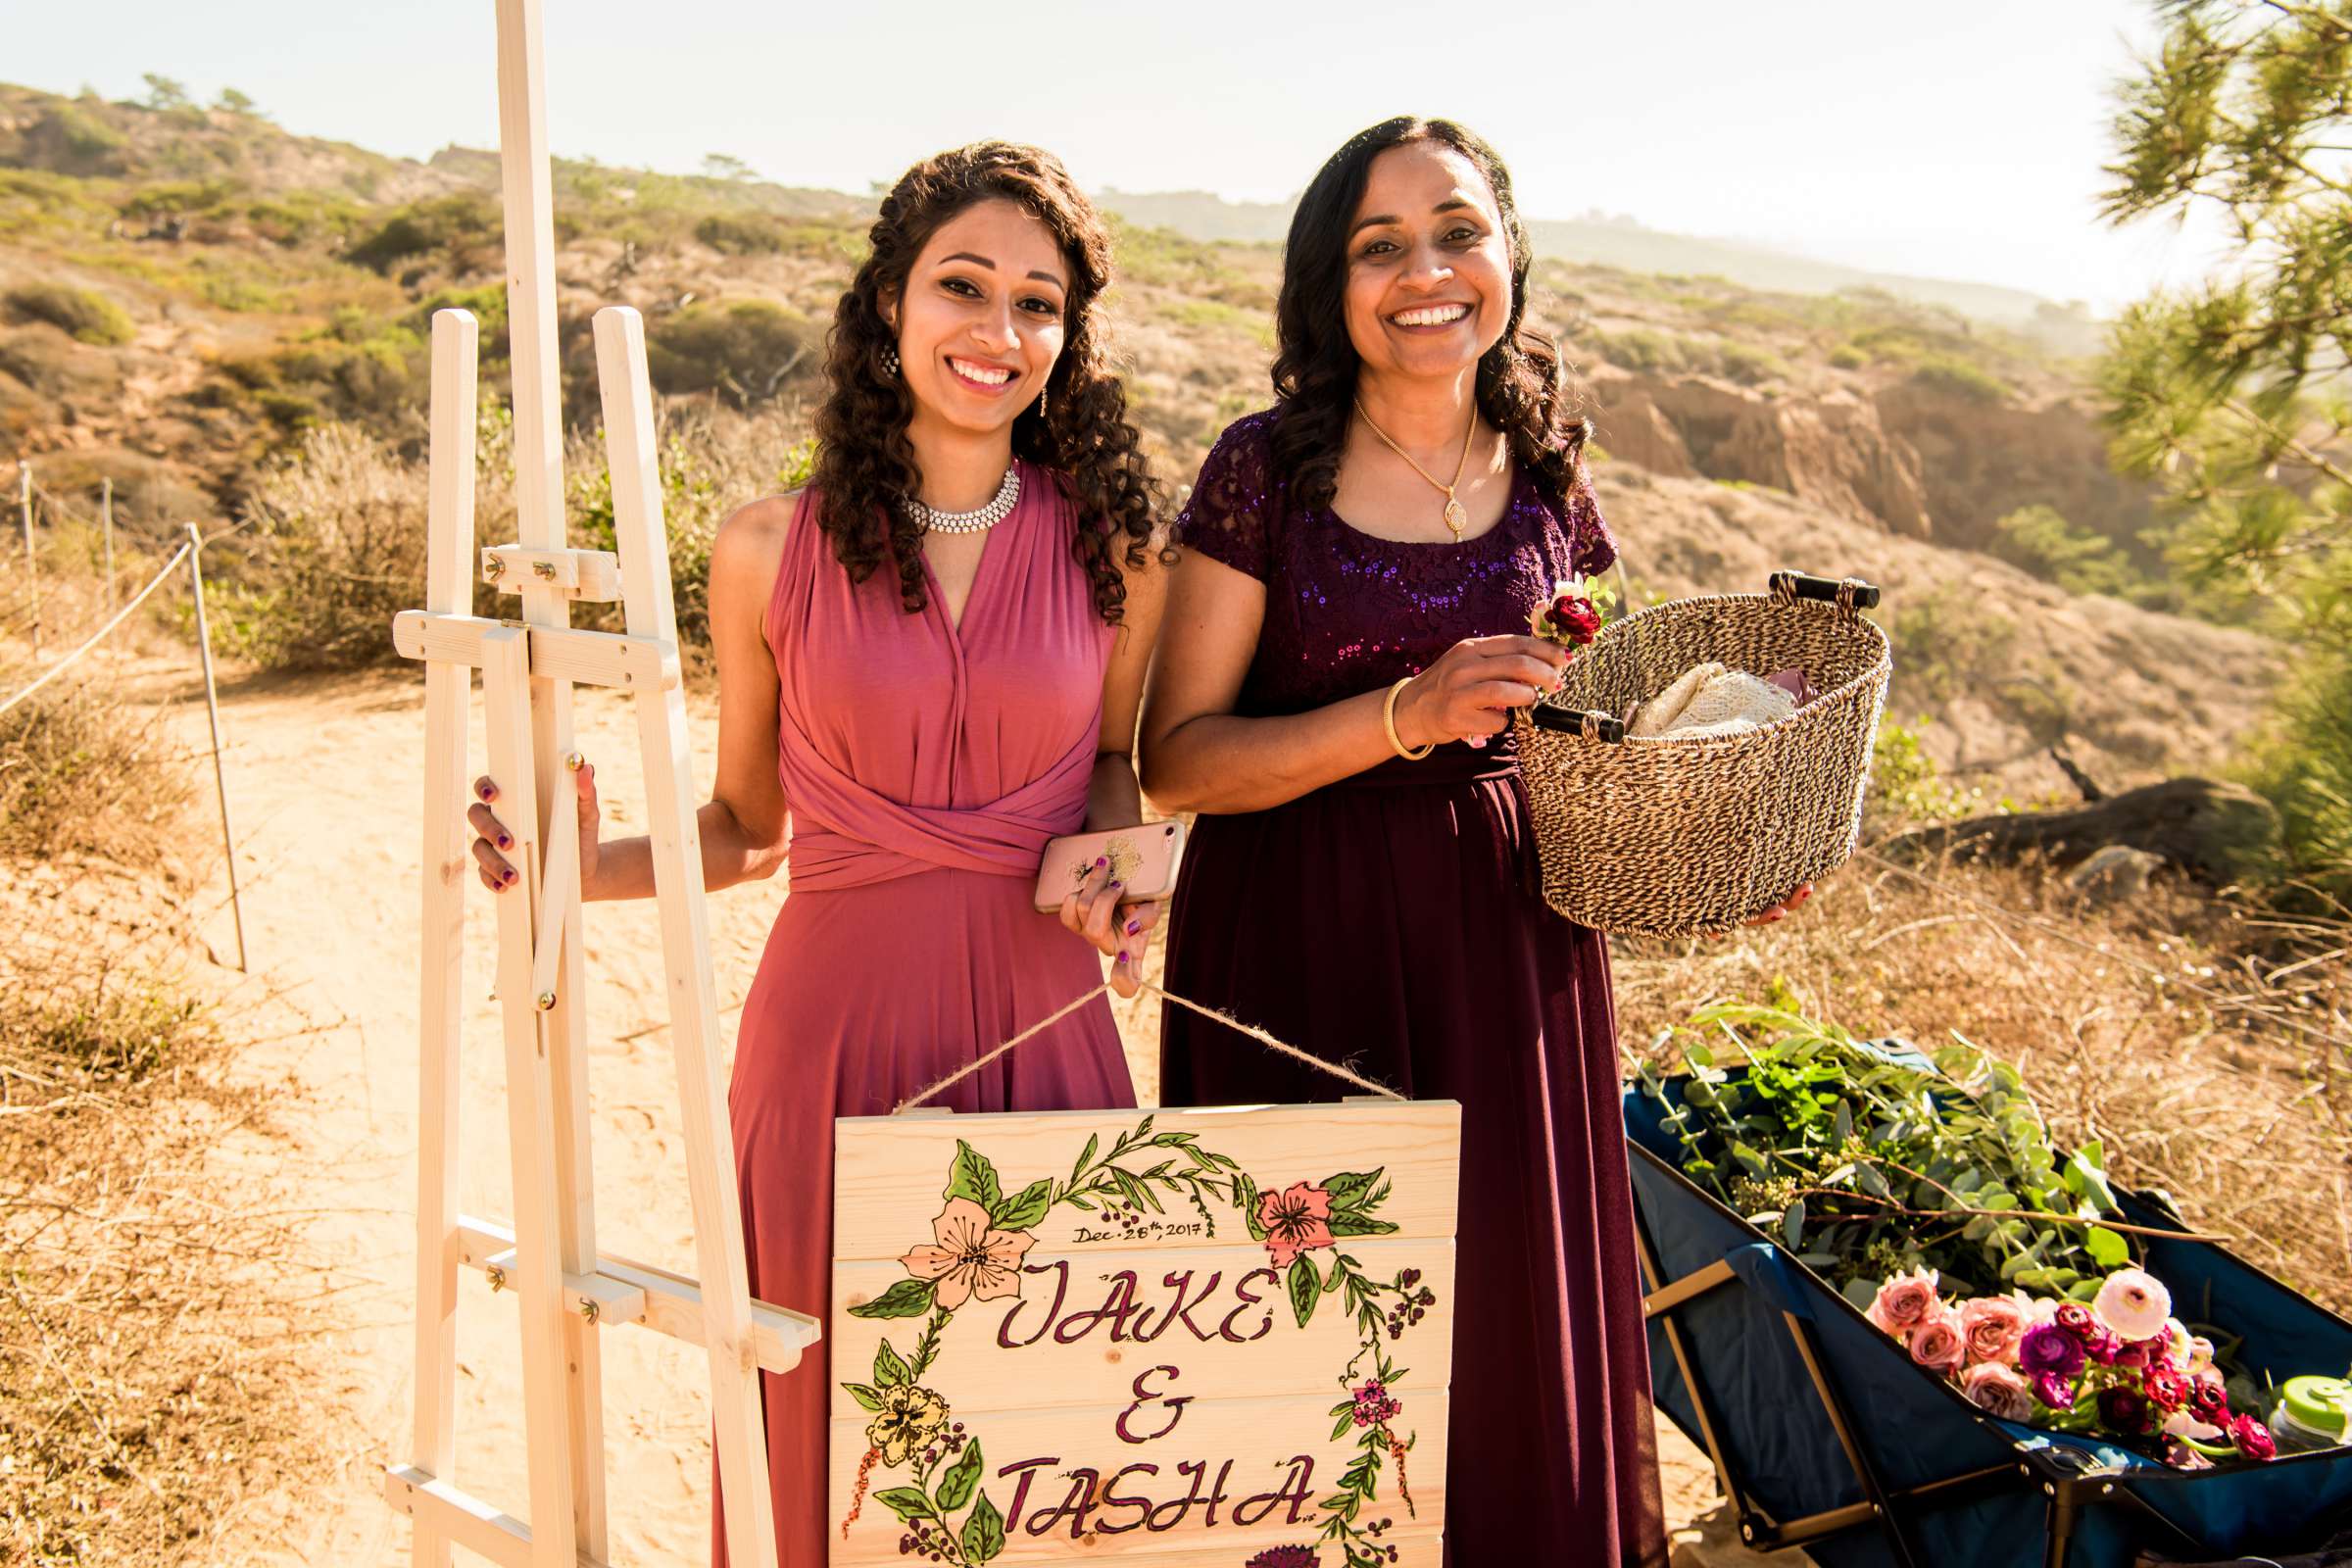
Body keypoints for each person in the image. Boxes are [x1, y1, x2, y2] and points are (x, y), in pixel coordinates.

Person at [465, 140, 1170, 1567]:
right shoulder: (759, 550)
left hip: (1048, 1026)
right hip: (829, 1043)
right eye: (962, 286)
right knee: (825, 1435)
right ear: (889, 307)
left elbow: (1111, 769)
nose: (999, 330)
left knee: (1049, 1444)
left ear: (1069, 340)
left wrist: (1120, 873)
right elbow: (740, 832)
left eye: (1039, 303)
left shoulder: (1120, 553)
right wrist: (566, 861)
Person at [1139, 117, 1804, 1566]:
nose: (1425, 270)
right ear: (1330, 284)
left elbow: (1591, 738)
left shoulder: (1551, 466)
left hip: (1516, 949)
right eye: (1380, 247)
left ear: (1508, 253)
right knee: (1310, 1355)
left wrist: (1714, 847)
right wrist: (1404, 713)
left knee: (1504, 1334)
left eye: (1457, 231)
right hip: (1297, 943)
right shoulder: (1266, 469)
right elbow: (1175, 759)